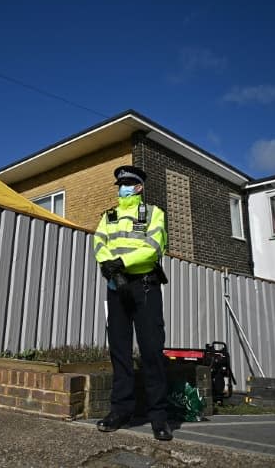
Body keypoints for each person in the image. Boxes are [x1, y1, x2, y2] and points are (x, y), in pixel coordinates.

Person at [93, 165, 173, 441]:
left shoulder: (154, 213)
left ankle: (159, 417)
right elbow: (99, 242)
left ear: (139, 187)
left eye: (128, 183)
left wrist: (122, 262)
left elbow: (153, 247)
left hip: (145, 287)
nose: (123, 188)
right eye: (120, 184)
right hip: (117, 287)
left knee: (151, 351)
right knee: (119, 352)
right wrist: (108, 265)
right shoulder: (109, 216)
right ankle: (120, 411)